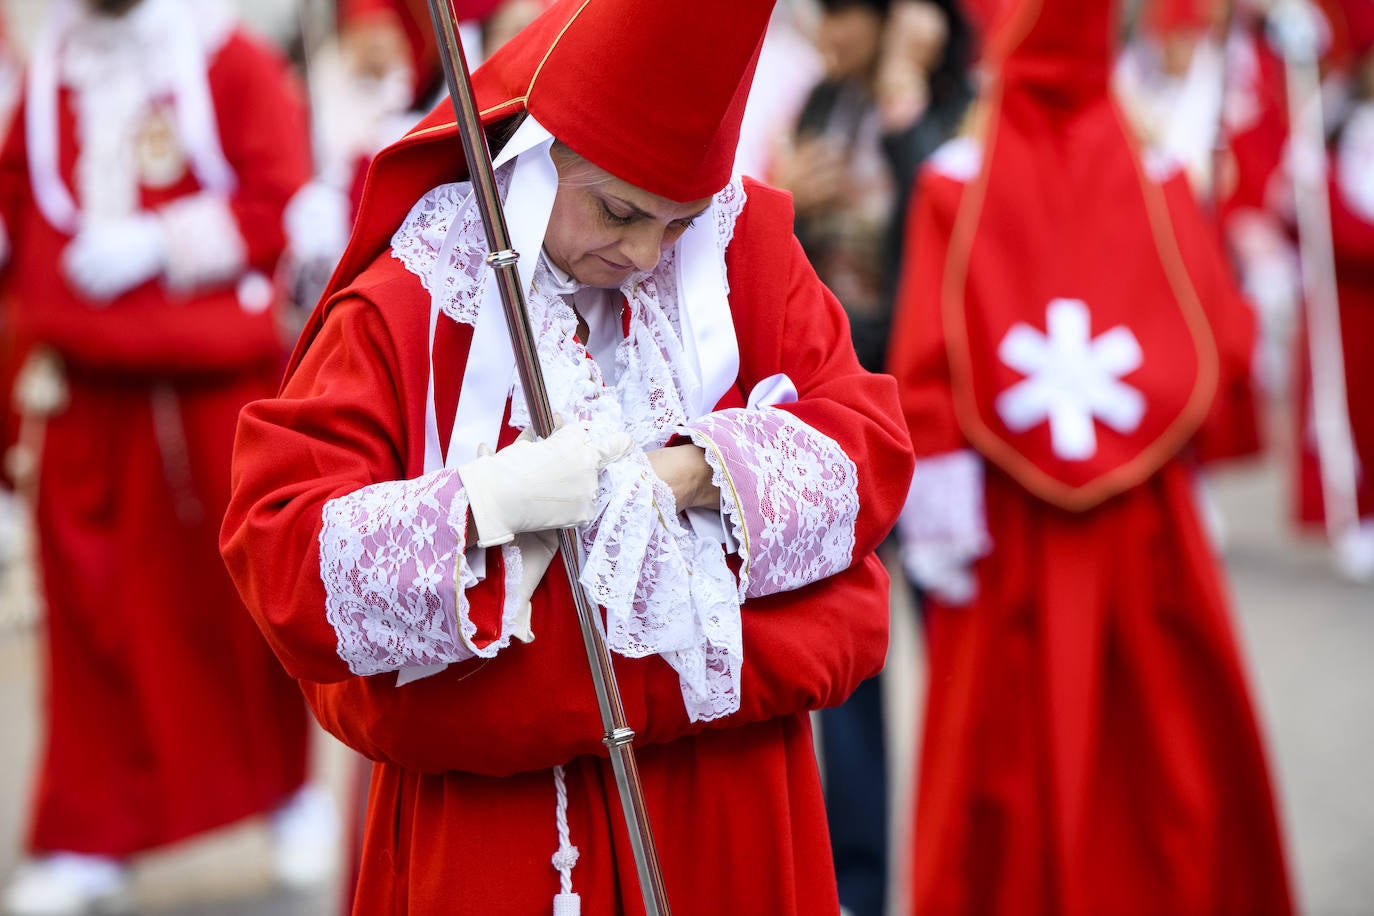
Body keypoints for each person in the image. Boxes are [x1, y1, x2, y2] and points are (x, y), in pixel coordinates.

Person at [220, 0, 915, 912]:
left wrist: (692, 472)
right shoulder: (417, 295)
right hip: (498, 833)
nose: (643, 254)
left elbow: (869, 462)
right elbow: (283, 556)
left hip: (737, 811)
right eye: (619, 210)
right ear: (539, 161)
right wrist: (480, 505)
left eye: (678, 224)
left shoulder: (739, 255)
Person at [887, 0, 1294, 913]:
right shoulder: (1158, 172)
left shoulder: (957, 177)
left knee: (1007, 758)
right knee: (1166, 758)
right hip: (1147, 525)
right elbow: (1218, 343)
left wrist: (944, 518)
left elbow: (926, 359)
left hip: (1004, 532)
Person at [0, 1, 336, 913]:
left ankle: (286, 792)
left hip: (209, 401)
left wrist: (161, 242)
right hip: (82, 402)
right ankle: (88, 835)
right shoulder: (52, 72)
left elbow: (278, 201)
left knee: (239, 616)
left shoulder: (229, 62)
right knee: (89, 623)